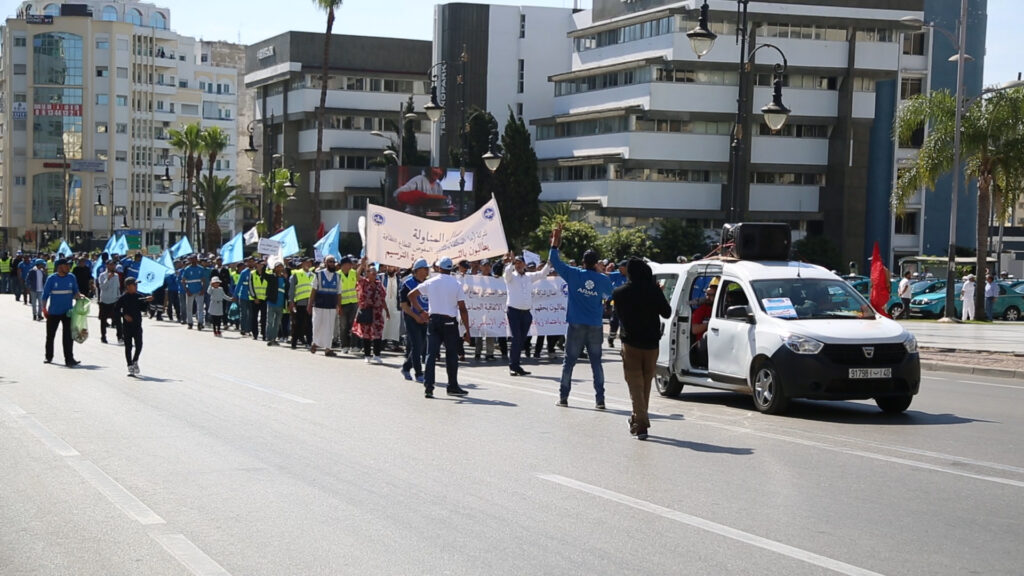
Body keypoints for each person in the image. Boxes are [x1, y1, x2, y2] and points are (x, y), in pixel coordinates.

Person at [548, 224, 614, 408]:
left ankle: (563, 398)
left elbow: (555, 260)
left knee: (569, 362)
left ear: (583, 262)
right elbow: (609, 296)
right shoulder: (603, 279)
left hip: (576, 324)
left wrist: (555, 243)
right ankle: (600, 400)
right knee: (596, 364)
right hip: (595, 325)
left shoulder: (573, 274)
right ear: (596, 263)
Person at [613, 259, 671, 440]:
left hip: (631, 343)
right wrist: (658, 295)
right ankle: (639, 420)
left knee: (635, 384)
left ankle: (641, 423)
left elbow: (620, 316)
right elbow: (667, 313)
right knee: (645, 384)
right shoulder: (654, 290)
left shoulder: (620, 292)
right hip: (652, 344)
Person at [407, 257, 471, 398]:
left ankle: (429, 388)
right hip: (449, 322)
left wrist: (421, 311)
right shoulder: (456, 284)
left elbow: (411, 295)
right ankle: (452, 386)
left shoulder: (431, 282)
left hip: (434, 320)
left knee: (431, 355)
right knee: (451, 355)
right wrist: (467, 329)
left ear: (439, 268)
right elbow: (463, 309)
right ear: (451, 269)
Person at [502, 252, 550, 376]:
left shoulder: (528, 276)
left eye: (520, 263)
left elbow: (542, 274)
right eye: (516, 263)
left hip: (526, 313)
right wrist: (511, 263)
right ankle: (513, 365)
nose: (518, 265)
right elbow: (507, 273)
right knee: (516, 338)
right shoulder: (511, 276)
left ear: (524, 264)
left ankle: (516, 365)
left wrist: (549, 263)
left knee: (521, 340)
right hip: (514, 311)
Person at [40, 259, 84, 367]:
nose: (69, 267)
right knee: (50, 336)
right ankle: (48, 356)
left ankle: (69, 359)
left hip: (68, 312)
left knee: (68, 337)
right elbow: (45, 295)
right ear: (59, 267)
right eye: (66, 265)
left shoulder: (71, 277)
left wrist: (80, 297)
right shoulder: (51, 279)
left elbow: (75, 292)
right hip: (53, 312)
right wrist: (44, 309)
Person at [399, 259, 430, 383]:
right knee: (416, 345)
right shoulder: (407, 284)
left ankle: (406, 367)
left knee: (421, 346)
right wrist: (416, 316)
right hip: (412, 318)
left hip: (425, 318)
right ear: (417, 270)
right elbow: (404, 305)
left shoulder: (428, 283)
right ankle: (419, 373)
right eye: (425, 268)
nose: (427, 271)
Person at [353, 261, 390, 364]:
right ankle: (367, 355)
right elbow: (357, 275)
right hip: (366, 312)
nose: (374, 274)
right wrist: (362, 264)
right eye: (372, 272)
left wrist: (386, 310)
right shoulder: (364, 282)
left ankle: (377, 355)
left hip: (377, 313)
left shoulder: (379, 284)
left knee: (378, 334)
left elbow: (382, 299)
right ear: (367, 273)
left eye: (375, 272)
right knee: (367, 334)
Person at [115, 278, 153, 376]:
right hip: (127, 327)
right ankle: (129, 365)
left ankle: (135, 360)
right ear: (128, 286)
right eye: (134, 285)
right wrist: (124, 315)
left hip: (137, 325)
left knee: (139, 344)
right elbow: (116, 310)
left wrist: (147, 301)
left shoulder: (139, 296)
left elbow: (143, 308)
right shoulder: (123, 298)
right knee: (128, 346)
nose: (136, 286)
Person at [308, 255, 342, 356]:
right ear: (325, 263)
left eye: (333, 261)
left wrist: (339, 306)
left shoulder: (337, 277)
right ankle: (315, 343)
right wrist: (310, 304)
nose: (332, 263)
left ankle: (328, 348)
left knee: (329, 327)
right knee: (317, 325)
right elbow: (313, 290)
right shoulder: (318, 275)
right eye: (329, 261)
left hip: (331, 306)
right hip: (319, 305)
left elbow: (339, 293)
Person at [690, 278, 718, 369]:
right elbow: (694, 329)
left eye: (711, 295)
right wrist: (709, 325)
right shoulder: (702, 309)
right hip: (703, 347)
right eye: (707, 294)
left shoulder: (720, 309)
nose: (707, 297)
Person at [289, 258, 315, 349]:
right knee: (298, 324)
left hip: (311, 303)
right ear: (302, 263)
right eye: (306, 262)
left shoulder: (313, 275)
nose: (308, 264)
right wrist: (291, 302)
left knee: (310, 324)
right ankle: (294, 342)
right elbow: (292, 289)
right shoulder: (296, 274)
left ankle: (309, 342)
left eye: (309, 262)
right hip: (301, 302)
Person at [337, 256, 360, 354]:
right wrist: (338, 306)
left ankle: (354, 345)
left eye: (350, 264)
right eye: (347, 264)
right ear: (342, 265)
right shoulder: (337, 275)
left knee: (354, 325)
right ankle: (344, 346)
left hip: (353, 303)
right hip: (342, 304)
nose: (349, 266)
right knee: (343, 326)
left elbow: (359, 277)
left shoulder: (353, 273)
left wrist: (362, 265)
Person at [96, 260, 123, 343]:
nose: (112, 266)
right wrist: (108, 278)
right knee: (103, 320)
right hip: (104, 300)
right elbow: (103, 287)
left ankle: (120, 337)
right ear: (107, 266)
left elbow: (118, 288)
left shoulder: (116, 276)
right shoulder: (102, 275)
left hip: (114, 300)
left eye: (114, 265)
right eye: (110, 265)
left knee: (118, 320)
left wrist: (119, 297)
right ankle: (103, 336)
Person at [264, 261, 288, 346]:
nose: (280, 268)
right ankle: (269, 338)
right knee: (270, 321)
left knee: (277, 323)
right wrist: (265, 264)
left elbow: (287, 291)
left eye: (281, 267)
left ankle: (274, 338)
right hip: (272, 303)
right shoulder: (271, 277)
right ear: (275, 268)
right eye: (278, 267)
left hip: (280, 304)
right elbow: (263, 274)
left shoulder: (284, 279)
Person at [182, 255, 207, 330]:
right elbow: (183, 281)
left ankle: (200, 323)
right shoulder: (187, 269)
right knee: (189, 308)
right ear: (190, 260)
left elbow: (203, 280)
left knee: (200, 308)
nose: (193, 260)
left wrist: (203, 289)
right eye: (192, 259)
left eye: (195, 259)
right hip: (190, 291)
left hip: (199, 291)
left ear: (197, 259)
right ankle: (190, 323)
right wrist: (187, 290)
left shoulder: (201, 268)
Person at [606, 260, 628, 347]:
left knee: (624, 324)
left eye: (621, 267)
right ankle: (611, 339)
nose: (619, 268)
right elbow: (605, 274)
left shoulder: (631, 277)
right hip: (617, 304)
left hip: (628, 306)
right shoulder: (617, 274)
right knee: (614, 322)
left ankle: (624, 342)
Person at [249, 259, 270, 340]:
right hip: (255, 299)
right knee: (254, 317)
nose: (260, 266)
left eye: (262, 264)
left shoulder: (267, 274)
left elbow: (269, 286)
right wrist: (254, 297)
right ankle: (255, 333)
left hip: (264, 299)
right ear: (256, 265)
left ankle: (264, 334)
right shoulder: (252, 273)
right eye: (259, 264)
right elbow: (250, 286)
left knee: (264, 317)